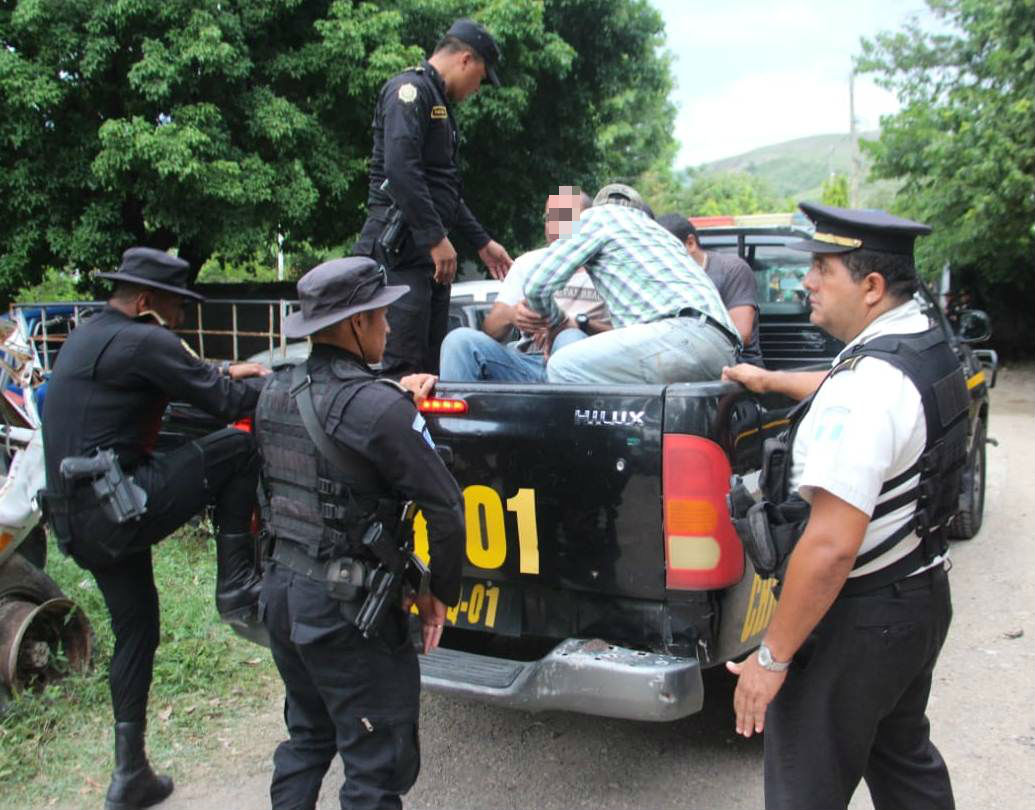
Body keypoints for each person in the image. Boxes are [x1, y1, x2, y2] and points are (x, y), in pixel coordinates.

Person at [723, 202, 966, 810]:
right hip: (919, 595)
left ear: (872, 286)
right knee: (904, 763)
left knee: (803, 790)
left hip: (856, 623)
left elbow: (830, 548)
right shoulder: (920, 342)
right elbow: (856, 384)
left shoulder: (863, 391)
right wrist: (771, 379)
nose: (807, 281)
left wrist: (772, 658)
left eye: (823, 268)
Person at [40, 247, 269, 810]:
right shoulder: (147, 340)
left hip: (77, 519)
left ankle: (129, 774)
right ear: (145, 303)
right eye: (175, 305)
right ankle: (237, 582)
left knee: (137, 628)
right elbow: (224, 402)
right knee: (238, 446)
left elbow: (180, 380)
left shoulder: (90, 335)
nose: (183, 318)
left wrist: (223, 370)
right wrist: (281, 387)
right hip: (121, 504)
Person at [253, 257, 464, 810]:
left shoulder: (276, 391)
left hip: (282, 596)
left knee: (308, 737)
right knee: (375, 767)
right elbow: (446, 508)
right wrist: (438, 592)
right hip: (345, 613)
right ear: (355, 324)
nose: (389, 328)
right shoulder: (378, 409)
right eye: (382, 317)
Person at [353, 18, 513, 377]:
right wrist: (436, 239)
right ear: (466, 60)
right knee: (402, 370)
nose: (477, 88)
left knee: (428, 371)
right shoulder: (409, 90)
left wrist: (482, 242)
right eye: (481, 78)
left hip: (425, 258)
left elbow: (443, 190)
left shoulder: (439, 103)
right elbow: (400, 170)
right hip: (398, 253)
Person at [521, 183, 740, 384]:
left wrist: (557, 322)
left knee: (563, 366)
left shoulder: (598, 217)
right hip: (723, 348)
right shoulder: (661, 234)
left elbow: (536, 286)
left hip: (680, 337)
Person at [439, 186, 611, 382]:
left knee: (569, 338)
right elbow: (490, 331)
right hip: (526, 365)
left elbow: (637, 339)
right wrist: (513, 315)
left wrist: (577, 324)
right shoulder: (528, 263)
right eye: (550, 218)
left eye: (565, 218)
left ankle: (563, 407)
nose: (555, 226)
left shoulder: (607, 268)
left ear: (589, 221)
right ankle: (453, 412)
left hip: (583, 372)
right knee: (458, 340)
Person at [657, 213, 763, 365]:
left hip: (738, 369)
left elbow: (740, 334)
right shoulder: (664, 278)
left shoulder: (731, 269)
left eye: (665, 251)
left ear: (690, 243)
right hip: (683, 365)